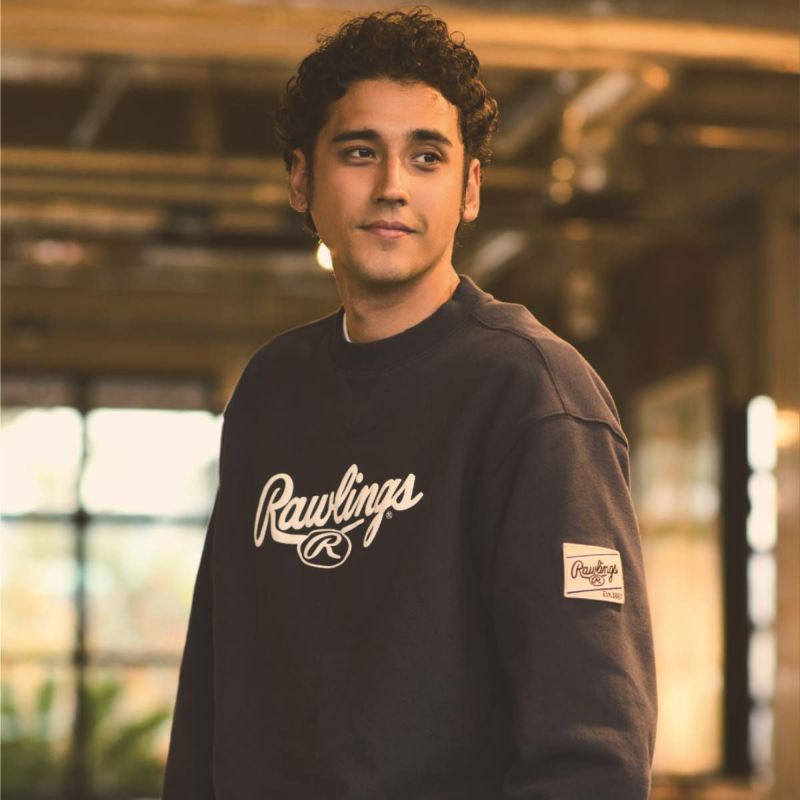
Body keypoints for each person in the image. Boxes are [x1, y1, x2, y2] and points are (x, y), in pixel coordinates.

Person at [162, 7, 657, 798]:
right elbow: (212, 690)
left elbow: (594, 751)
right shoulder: (271, 391)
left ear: (469, 189)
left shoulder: (533, 397)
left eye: (426, 157)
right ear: (301, 179)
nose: (392, 186)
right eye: (360, 152)